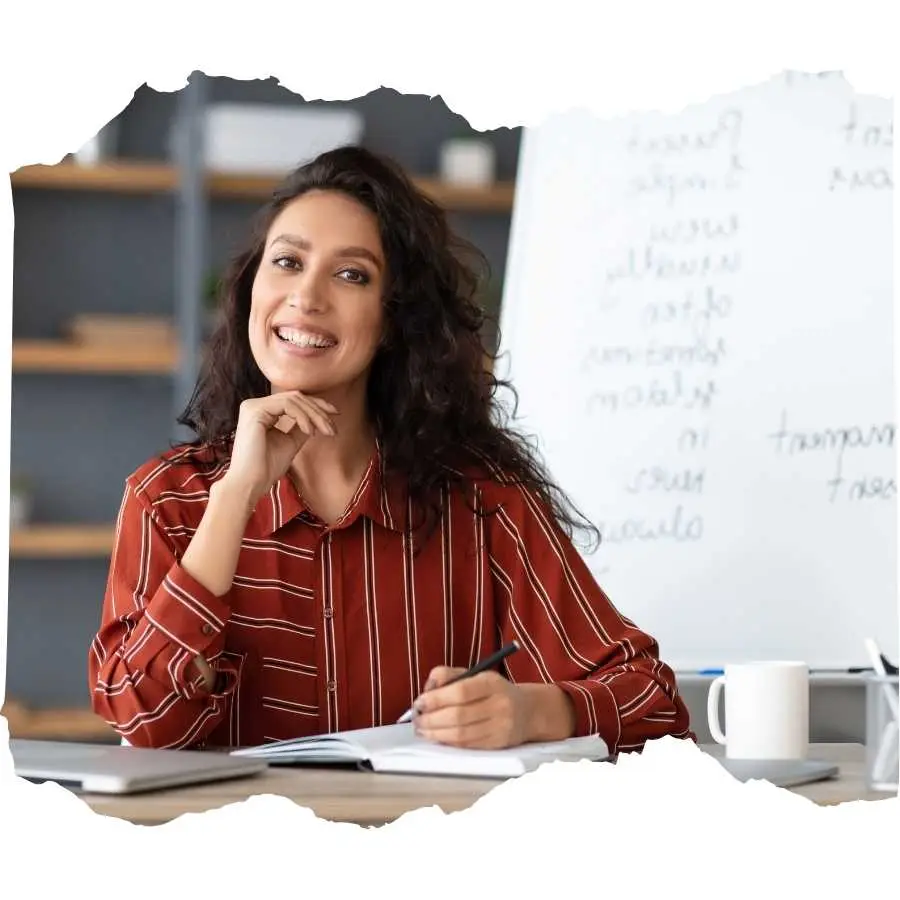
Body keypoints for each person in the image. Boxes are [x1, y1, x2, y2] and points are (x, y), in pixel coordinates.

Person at [88, 145, 693, 755]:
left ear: (393, 321)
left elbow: (656, 705)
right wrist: (235, 497)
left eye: (352, 274)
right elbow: (145, 723)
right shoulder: (168, 499)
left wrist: (537, 711)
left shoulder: (484, 504)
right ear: (251, 291)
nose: (308, 297)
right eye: (288, 262)